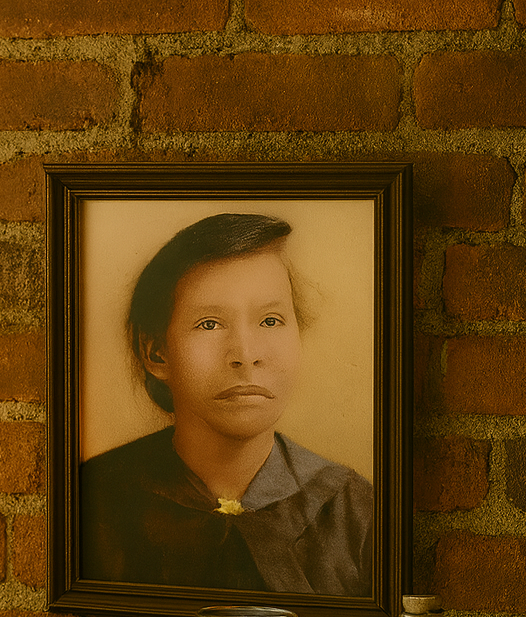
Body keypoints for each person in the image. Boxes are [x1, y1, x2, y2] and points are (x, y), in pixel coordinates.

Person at [79, 212, 373, 596]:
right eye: (210, 324)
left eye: (271, 320)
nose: (246, 355)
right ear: (156, 352)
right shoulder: (95, 499)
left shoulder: (356, 510)